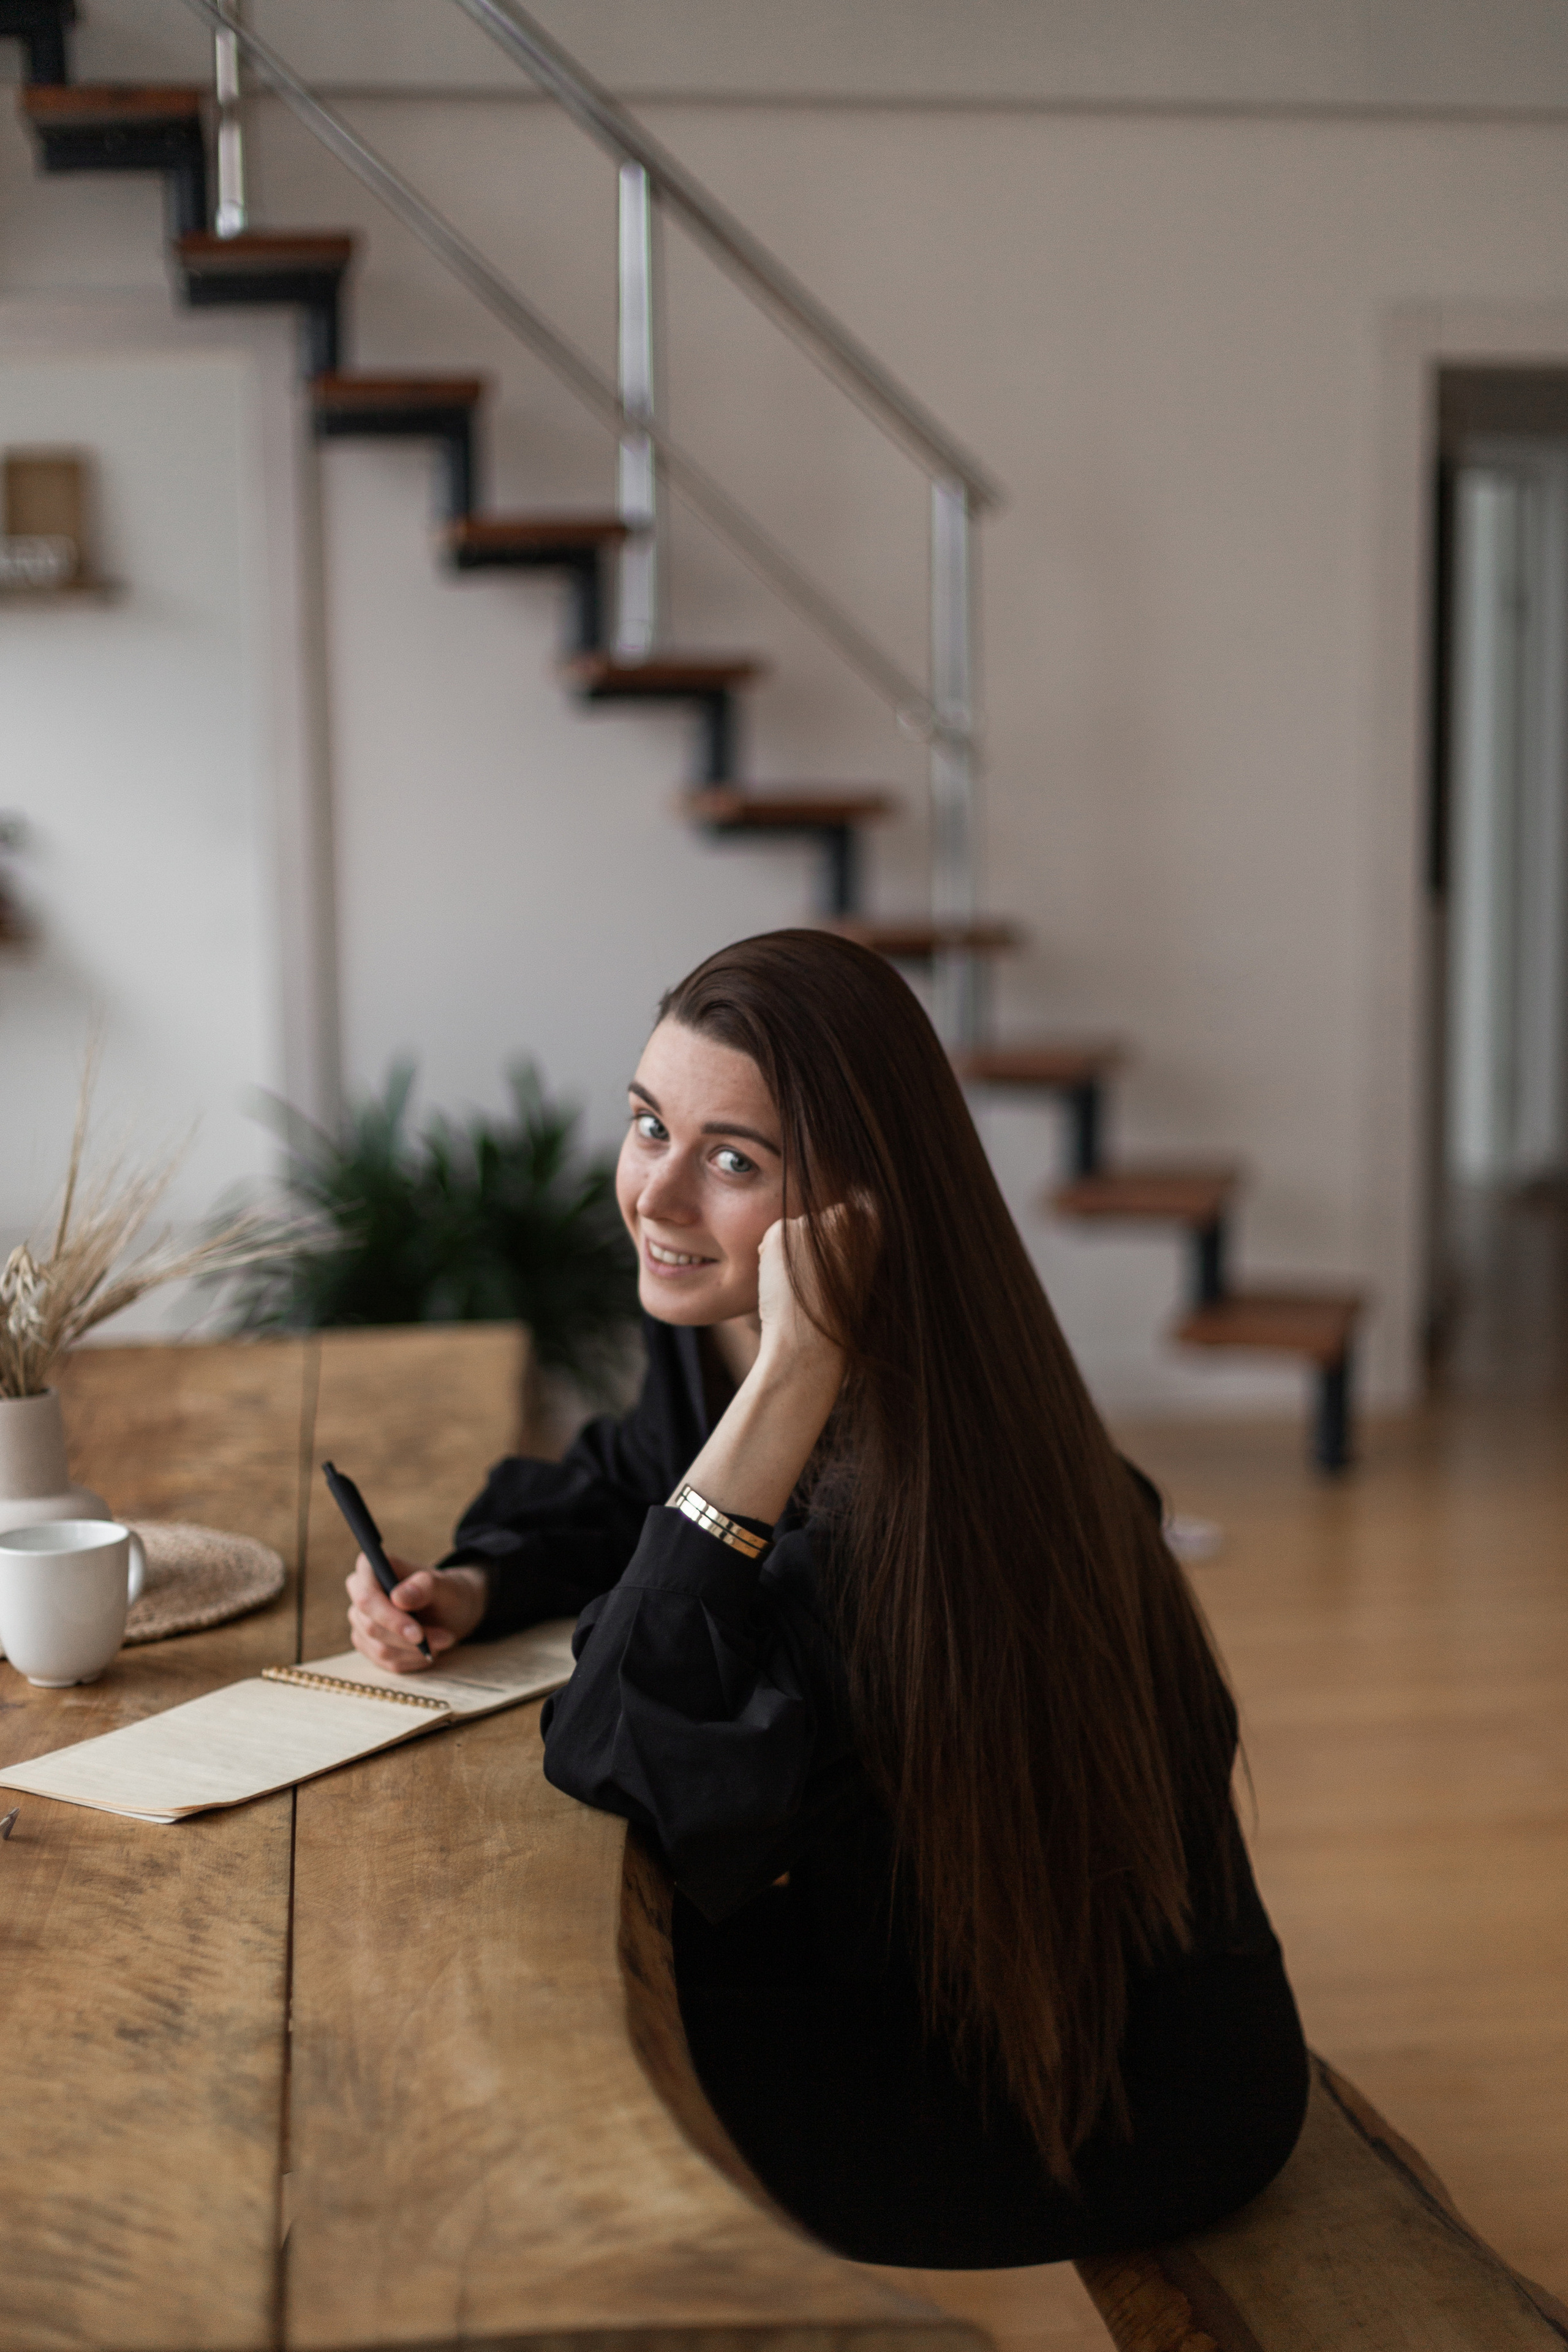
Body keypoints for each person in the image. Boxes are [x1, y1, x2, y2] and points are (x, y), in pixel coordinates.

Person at [345, 929, 1310, 2268]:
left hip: (1089, 2100)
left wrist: (794, 1377)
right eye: (648, 1127)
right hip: (920, 1974)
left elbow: (620, 1741)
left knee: (519, 2088)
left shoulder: (909, 1485)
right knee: (515, 2010)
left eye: (733, 1162)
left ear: (858, 1209)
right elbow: (630, 1476)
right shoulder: (737, 1327)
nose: (657, 1195)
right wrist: (478, 1579)